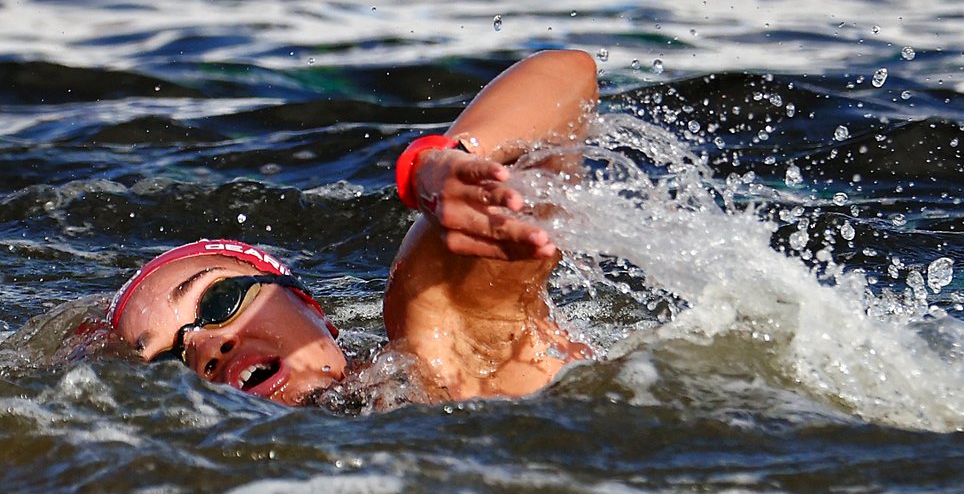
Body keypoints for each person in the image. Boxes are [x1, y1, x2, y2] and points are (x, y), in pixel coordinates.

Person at [107, 49, 600, 406]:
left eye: (219, 302)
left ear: (311, 308)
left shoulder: (435, 358)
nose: (201, 348)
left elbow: (568, 76)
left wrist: (437, 163)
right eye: (168, 361)